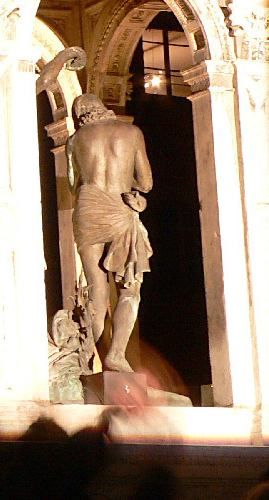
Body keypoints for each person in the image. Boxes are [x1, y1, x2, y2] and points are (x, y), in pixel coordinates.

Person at [66, 94, 152, 373]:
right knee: (130, 287)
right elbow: (146, 183)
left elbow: (73, 183)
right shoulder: (131, 133)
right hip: (120, 207)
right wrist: (128, 184)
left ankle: (100, 360)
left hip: (88, 209)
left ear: (80, 115)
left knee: (96, 288)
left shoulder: (75, 140)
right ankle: (116, 353)